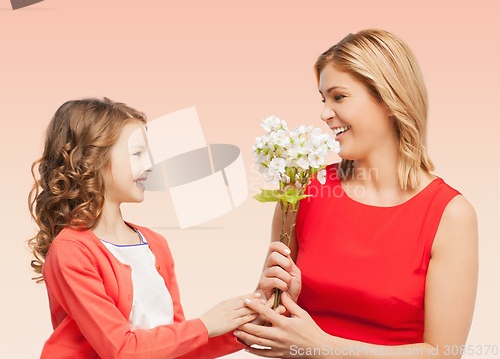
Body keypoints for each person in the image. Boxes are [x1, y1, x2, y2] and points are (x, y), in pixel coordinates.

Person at [235, 29, 478, 358]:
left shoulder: (449, 215)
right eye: (323, 99)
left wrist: (319, 348)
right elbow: (265, 332)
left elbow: (443, 354)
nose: (325, 114)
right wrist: (271, 301)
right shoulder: (302, 191)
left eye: (339, 97)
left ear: (389, 99)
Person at [28, 98, 260, 358]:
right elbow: (122, 350)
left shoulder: (155, 244)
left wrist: (248, 323)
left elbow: (175, 347)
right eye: (137, 154)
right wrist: (205, 325)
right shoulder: (71, 251)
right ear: (90, 160)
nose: (149, 165)